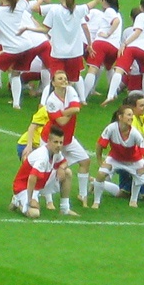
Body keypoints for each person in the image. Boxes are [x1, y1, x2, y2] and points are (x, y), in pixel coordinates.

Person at [93, 105, 144, 209]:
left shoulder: (135, 133)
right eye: (128, 115)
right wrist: (100, 162)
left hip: (135, 161)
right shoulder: (111, 128)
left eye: (132, 115)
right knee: (101, 174)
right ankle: (96, 202)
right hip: (115, 159)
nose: (131, 118)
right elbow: (99, 145)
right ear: (120, 117)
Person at [42, 70, 91, 207]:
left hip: (68, 138)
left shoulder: (70, 90)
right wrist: (69, 111)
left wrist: (63, 112)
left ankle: (82, 194)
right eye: (60, 78)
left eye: (65, 78)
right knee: (48, 168)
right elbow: (62, 122)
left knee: (85, 161)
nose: (64, 80)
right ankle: (49, 201)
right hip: (51, 139)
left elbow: (77, 109)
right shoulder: (51, 100)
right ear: (53, 83)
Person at [10, 127, 78, 218]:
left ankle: (65, 208)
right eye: (56, 142)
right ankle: (18, 201)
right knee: (34, 214)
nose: (58, 145)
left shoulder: (56, 152)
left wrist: (61, 167)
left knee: (67, 172)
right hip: (24, 186)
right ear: (49, 141)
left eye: (61, 142)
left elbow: (64, 162)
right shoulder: (42, 157)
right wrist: (30, 200)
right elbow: (32, 177)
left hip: (41, 182)